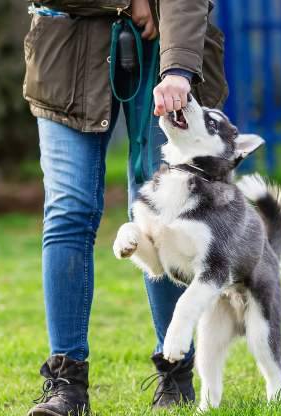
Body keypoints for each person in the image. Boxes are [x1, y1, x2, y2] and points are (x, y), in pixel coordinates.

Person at [22, 1, 228, 414]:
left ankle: (176, 372)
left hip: (167, 49)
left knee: (169, 214)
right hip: (66, 51)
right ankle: (66, 382)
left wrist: (177, 70)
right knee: (67, 212)